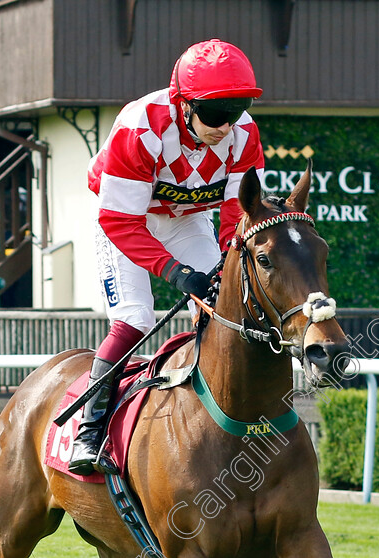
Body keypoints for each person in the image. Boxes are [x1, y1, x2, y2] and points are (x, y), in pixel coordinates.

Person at [68, 39, 264, 475]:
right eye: (215, 114)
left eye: (236, 111)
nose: (226, 125)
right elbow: (121, 222)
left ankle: (215, 415)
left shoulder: (244, 133)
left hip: (186, 219)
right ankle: (90, 428)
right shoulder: (141, 126)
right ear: (183, 103)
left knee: (222, 300)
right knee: (136, 317)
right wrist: (177, 274)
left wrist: (220, 267)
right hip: (126, 218)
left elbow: (237, 212)